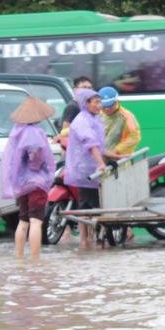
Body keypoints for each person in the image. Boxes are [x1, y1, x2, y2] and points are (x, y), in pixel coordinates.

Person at [1, 96, 56, 262]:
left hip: (22, 184)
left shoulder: (17, 132)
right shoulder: (35, 133)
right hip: (36, 183)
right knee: (36, 222)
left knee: (23, 222)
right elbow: (37, 159)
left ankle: (19, 258)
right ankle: (35, 260)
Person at [63, 88, 107, 249]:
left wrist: (110, 158)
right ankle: (85, 240)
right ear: (86, 103)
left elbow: (100, 145)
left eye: (99, 102)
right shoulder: (82, 120)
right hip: (86, 170)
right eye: (96, 102)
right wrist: (101, 163)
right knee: (89, 205)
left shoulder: (95, 118)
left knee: (90, 205)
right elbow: (91, 144)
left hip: (93, 167)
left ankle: (89, 240)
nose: (99, 105)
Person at [98, 86, 141, 158]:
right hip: (100, 159)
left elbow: (135, 137)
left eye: (111, 105)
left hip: (119, 160)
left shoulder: (127, 116)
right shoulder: (97, 114)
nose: (107, 109)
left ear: (117, 101)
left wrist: (116, 150)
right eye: (104, 106)